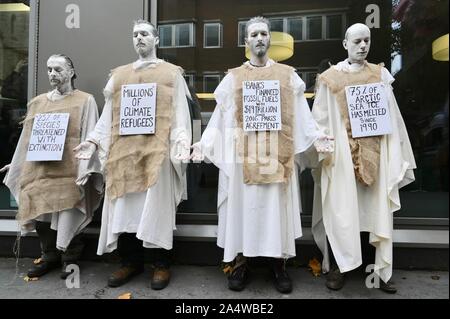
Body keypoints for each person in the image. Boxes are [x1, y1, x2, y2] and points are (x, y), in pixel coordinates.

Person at [191, 16, 331, 293]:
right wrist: (204, 144)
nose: (258, 38)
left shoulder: (287, 76)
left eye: (263, 34)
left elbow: (301, 113)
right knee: (245, 209)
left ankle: (278, 263)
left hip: (276, 156)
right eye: (253, 34)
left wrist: (316, 136)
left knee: (274, 209)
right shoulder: (234, 78)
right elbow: (221, 117)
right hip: (244, 157)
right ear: (246, 42)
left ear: (269, 40)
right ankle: (242, 261)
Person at [74, 20, 192, 290]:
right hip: (124, 154)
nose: (139, 38)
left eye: (145, 34)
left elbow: (179, 114)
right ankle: (130, 261)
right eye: (135, 35)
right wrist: (93, 142)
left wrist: (182, 142)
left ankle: (161, 264)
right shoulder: (120, 75)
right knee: (126, 207)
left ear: (156, 40)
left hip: (157, 153)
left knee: (155, 208)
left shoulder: (171, 73)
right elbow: (108, 115)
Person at [311, 23, 416, 293]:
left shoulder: (379, 76)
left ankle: (378, 268)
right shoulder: (330, 78)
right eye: (357, 41)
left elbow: (391, 116)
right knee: (341, 211)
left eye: (366, 41)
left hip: (375, 153)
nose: (363, 46)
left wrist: (394, 149)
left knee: (374, 210)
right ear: (345, 44)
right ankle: (339, 267)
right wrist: (323, 144)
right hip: (343, 157)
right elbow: (320, 118)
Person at [1, 54, 103, 279]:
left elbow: (91, 133)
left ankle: (69, 257)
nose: (52, 74)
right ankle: (49, 256)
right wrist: (17, 165)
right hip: (42, 169)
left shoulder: (85, 100)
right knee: (42, 213)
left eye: (58, 69)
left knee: (68, 210)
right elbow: (27, 138)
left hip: (69, 170)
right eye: (49, 70)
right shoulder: (38, 102)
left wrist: (86, 168)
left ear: (71, 71)